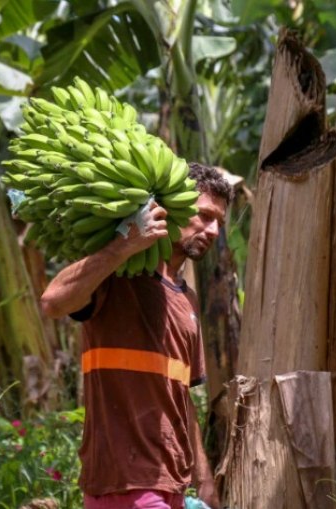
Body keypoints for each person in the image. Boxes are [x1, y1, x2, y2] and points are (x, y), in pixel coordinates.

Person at [40, 163, 233, 509]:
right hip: (125, 483)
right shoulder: (118, 279)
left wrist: (204, 482)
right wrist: (123, 246)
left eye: (219, 221)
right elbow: (53, 302)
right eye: (205, 216)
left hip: (171, 484)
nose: (214, 230)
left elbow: (181, 399)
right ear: (171, 209)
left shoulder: (187, 299)